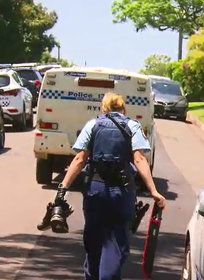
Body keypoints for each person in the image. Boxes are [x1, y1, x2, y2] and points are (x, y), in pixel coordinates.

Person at [51, 92, 166, 280]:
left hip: (95, 191)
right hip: (122, 193)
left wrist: (62, 187)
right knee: (116, 244)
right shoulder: (132, 126)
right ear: (124, 109)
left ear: (103, 109)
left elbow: (80, 158)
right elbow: (139, 159)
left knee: (94, 244)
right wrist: (153, 191)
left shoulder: (93, 125)